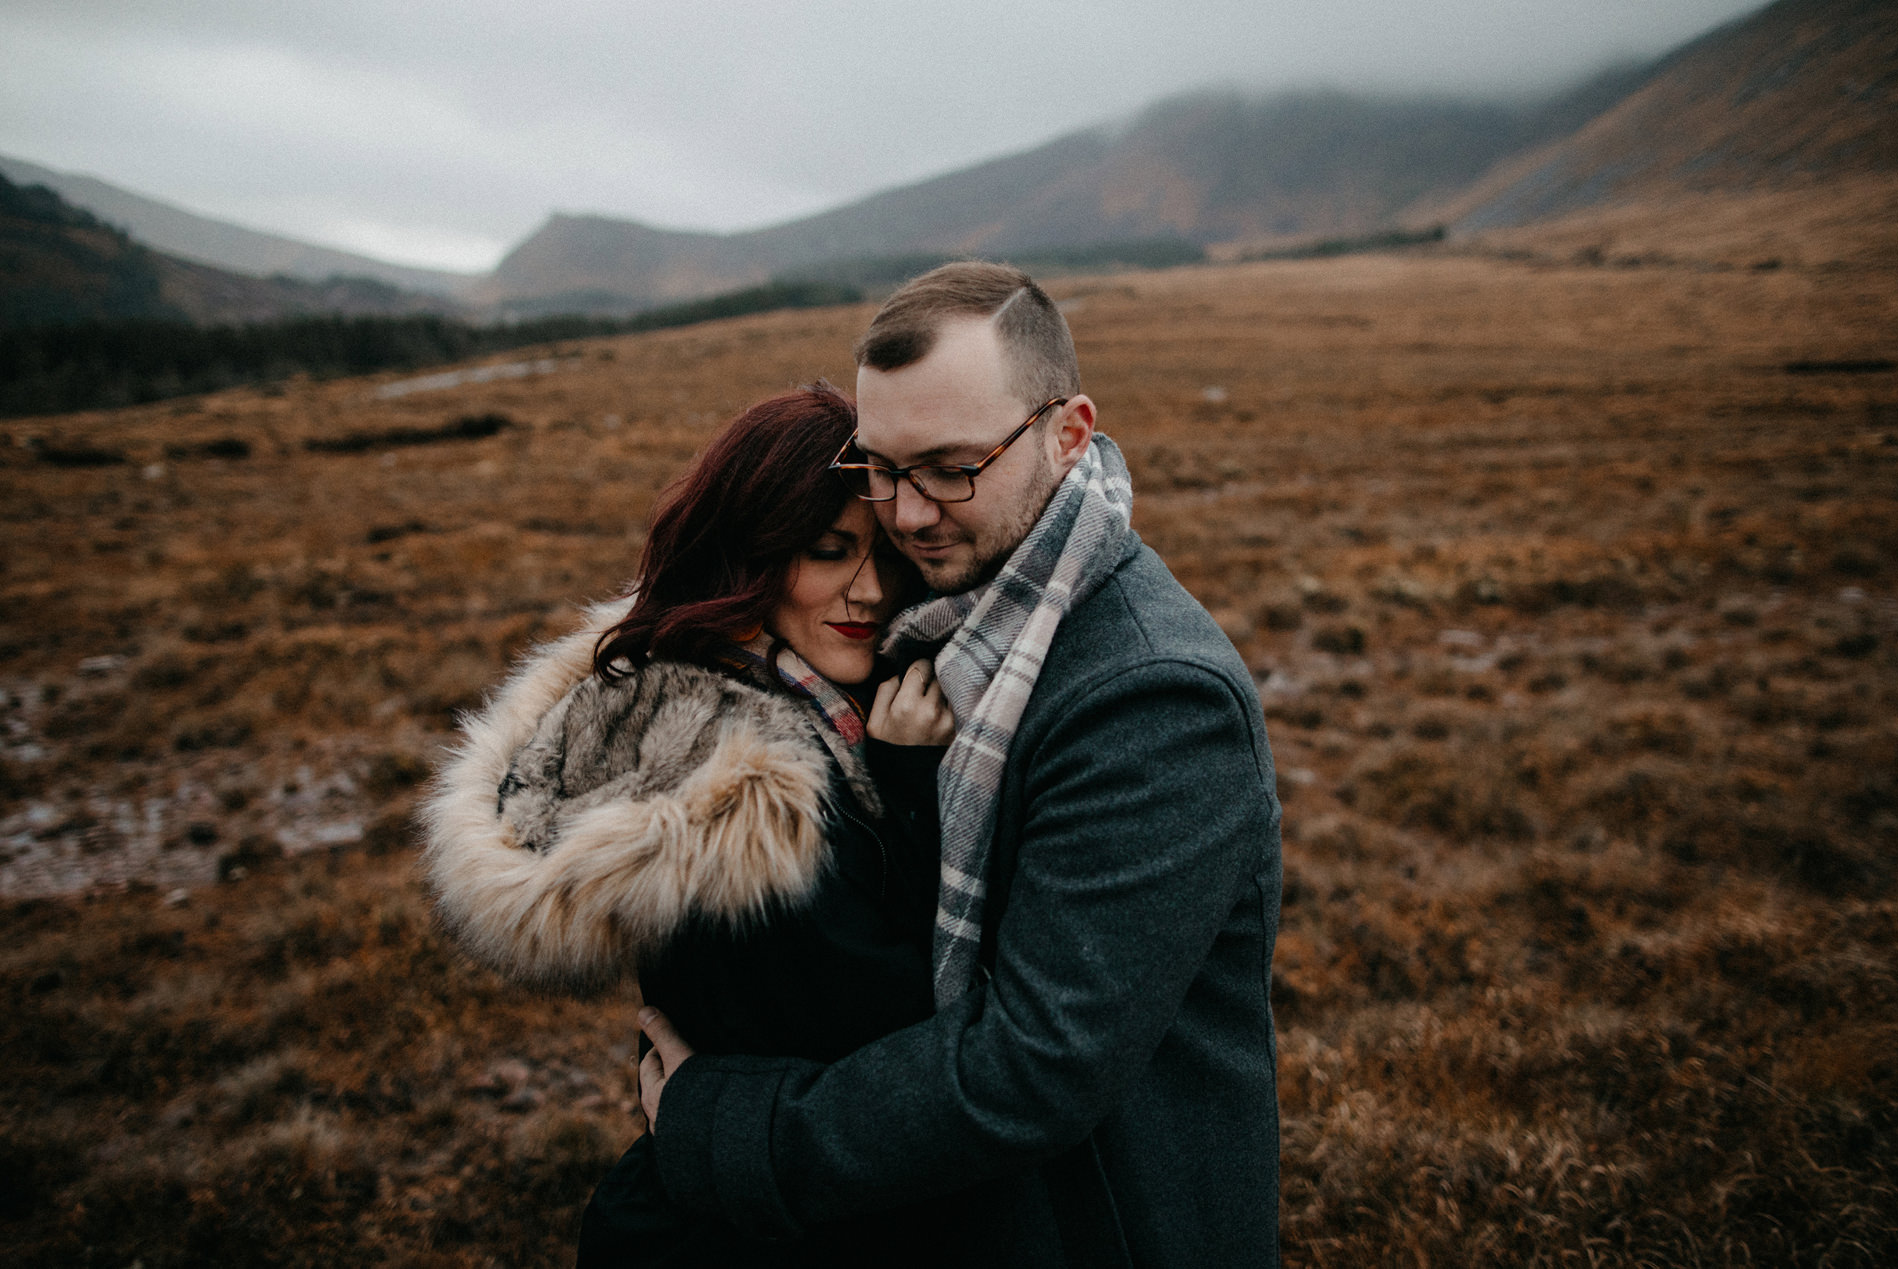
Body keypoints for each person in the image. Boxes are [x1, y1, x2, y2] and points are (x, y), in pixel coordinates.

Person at [635, 262, 1285, 1266]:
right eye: (882, 469)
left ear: (1068, 434)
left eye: (949, 467)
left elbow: (1033, 1064)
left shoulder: (1151, 700)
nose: (906, 515)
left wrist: (721, 1123)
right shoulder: (950, 625)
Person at [421, 383, 957, 1265]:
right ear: (750, 554)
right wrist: (909, 780)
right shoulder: (746, 787)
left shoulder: (741, 691)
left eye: (887, 553)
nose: (871, 590)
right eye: (829, 551)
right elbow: (911, 1018)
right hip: (742, 1229)